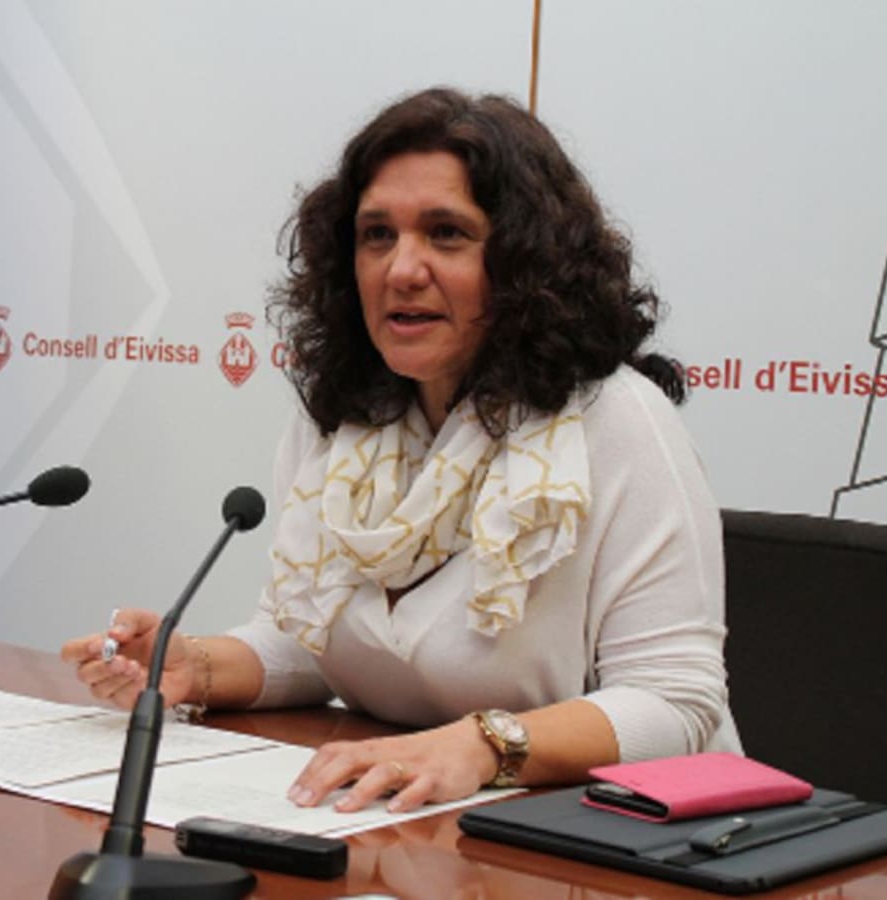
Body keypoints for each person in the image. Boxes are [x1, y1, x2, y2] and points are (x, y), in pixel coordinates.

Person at [61, 86, 740, 815]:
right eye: (377, 235)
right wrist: (191, 665)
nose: (401, 269)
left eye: (446, 234)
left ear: (525, 262)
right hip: (410, 825)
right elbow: (309, 642)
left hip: (615, 837)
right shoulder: (343, 422)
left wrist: (482, 746)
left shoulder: (613, 421)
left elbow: (675, 704)